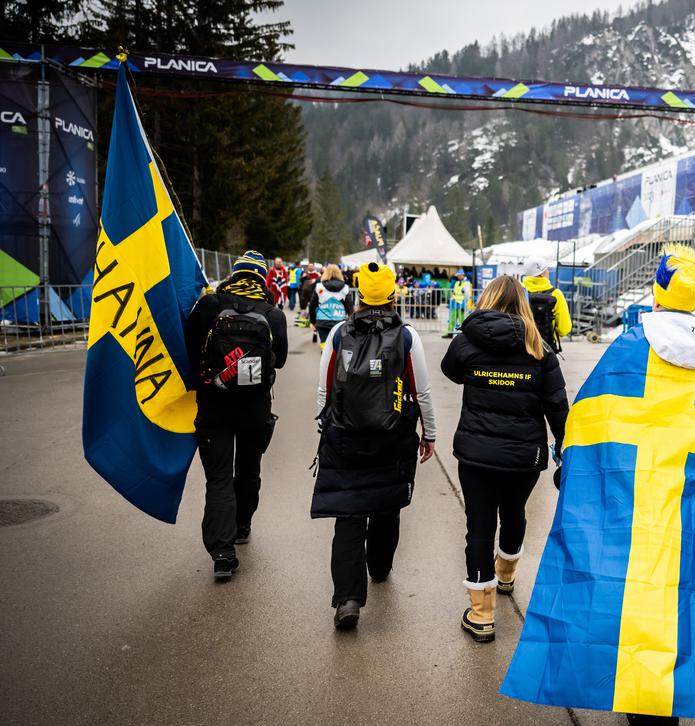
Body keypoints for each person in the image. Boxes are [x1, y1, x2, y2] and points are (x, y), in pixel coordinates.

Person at [499, 244, 695, 726]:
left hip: (629, 496)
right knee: (681, 596)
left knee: (629, 595)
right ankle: (662, 709)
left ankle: (636, 693)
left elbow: (589, 418)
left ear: (656, 292)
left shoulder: (630, 349)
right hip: (692, 500)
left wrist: (577, 470)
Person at [440, 275, 568, 643]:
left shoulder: (468, 340)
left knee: (479, 525)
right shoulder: (538, 346)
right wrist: (566, 446)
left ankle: (481, 614)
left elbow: (451, 371)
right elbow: (557, 406)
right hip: (524, 455)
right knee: (514, 513)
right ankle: (507, 575)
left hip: (476, 454)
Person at [312, 261, 437, 630]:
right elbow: (422, 391)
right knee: (386, 502)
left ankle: (348, 598)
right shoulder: (407, 337)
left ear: (359, 294)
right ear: (393, 295)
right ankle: (379, 568)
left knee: (348, 514)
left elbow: (324, 389)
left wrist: (325, 427)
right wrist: (429, 433)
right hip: (392, 435)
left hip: (345, 436)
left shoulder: (338, 333)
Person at [184, 251, 289, 581]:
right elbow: (281, 359)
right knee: (248, 468)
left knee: (218, 479)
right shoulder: (272, 313)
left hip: (214, 404)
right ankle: (242, 525)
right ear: (261, 278)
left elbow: (188, 347)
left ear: (234, 274)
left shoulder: (209, 306)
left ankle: (222, 553)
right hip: (255, 408)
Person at [521, 256, 572, 354]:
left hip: (522, 347)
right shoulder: (556, 294)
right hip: (548, 349)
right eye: (547, 270)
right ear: (542, 274)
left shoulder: (519, 291)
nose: (548, 272)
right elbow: (564, 329)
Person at [309, 265, 354, 348]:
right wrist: (351, 322)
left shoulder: (319, 287)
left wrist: (313, 321)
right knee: (337, 348)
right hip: (339, 321)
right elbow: (350, 308)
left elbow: (312, 306)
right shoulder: (345, 288)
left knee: (325, 346)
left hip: (322, 321)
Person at [443, 269, 472, 337]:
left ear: (462, 275)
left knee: (462, 320)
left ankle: (464, 335)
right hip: (455, 303)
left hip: (461, 304)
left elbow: (467, 295)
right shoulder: (457, 282)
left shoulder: (467, 283)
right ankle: (449, 333)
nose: (458, 277)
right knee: (452, 319)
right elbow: (454, 292)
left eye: (459, 275)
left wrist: (465, 305)